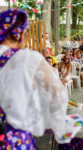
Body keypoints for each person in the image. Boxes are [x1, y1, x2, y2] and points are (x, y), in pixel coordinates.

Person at [0, 8, 68, 150]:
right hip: (14, 140)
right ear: (21, 33)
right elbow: (58, 98)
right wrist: (48, 124)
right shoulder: (28, 59)